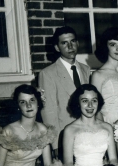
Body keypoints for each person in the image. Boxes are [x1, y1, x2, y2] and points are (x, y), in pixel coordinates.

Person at [38, 26, 91, 156]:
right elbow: (49, 112)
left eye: (73, 41)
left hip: (89, 133)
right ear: (57, 47)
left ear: (77, 43)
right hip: (65, 136)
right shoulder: (48, 74)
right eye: (64, 43)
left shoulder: (86, 69)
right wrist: (56, 144)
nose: (70, 46)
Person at [90, 27, 118, 125]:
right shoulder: (98, 75)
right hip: (109, 123)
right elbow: (96, 109)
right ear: (106, 47)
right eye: (113, 45)